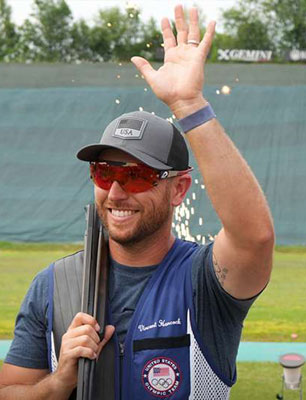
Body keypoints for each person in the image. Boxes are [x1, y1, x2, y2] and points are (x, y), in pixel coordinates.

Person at [0, 5, 274, 399]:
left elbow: (255, 238)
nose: (115, 192)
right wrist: (59, 382)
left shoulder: (204, 282)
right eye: (104, 172)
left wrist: (188, 105)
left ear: (179, 189)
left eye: (136, 175)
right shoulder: (53, 286)